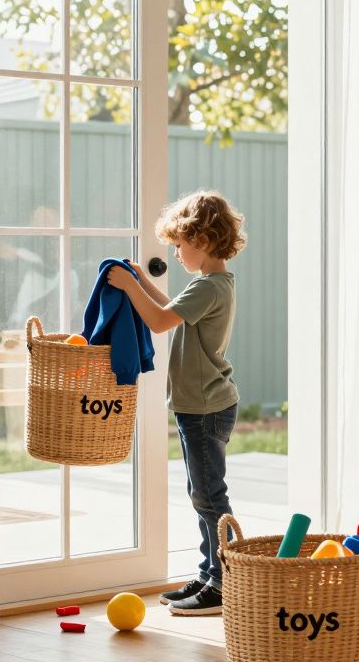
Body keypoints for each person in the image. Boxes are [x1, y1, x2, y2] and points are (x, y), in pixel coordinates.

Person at [106, 190, 247, 616]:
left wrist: (131, 287)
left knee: (209, 495)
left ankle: (225, 581)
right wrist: (144, 282)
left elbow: (160, 321)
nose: (176, 252)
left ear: (202, 240)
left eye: (180, 244)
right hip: (200, 404)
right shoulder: (210, 284)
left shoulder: (210, 287)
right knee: (201, 492)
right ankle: (210, 572)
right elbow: (171, 307)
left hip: (205, 407)